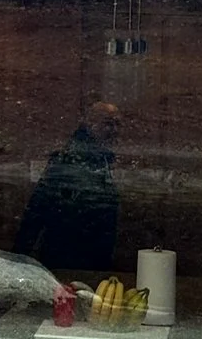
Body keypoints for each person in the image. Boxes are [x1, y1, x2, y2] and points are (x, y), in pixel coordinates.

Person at [15, 100, 123, 272]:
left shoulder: (101, 158)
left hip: (92, 254)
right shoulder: (72, 157)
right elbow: (38, 206)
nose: (114, 131)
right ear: (90, 124)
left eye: (117, 124)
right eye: (108, 124)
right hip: (69, 255)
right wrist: (19, 257)